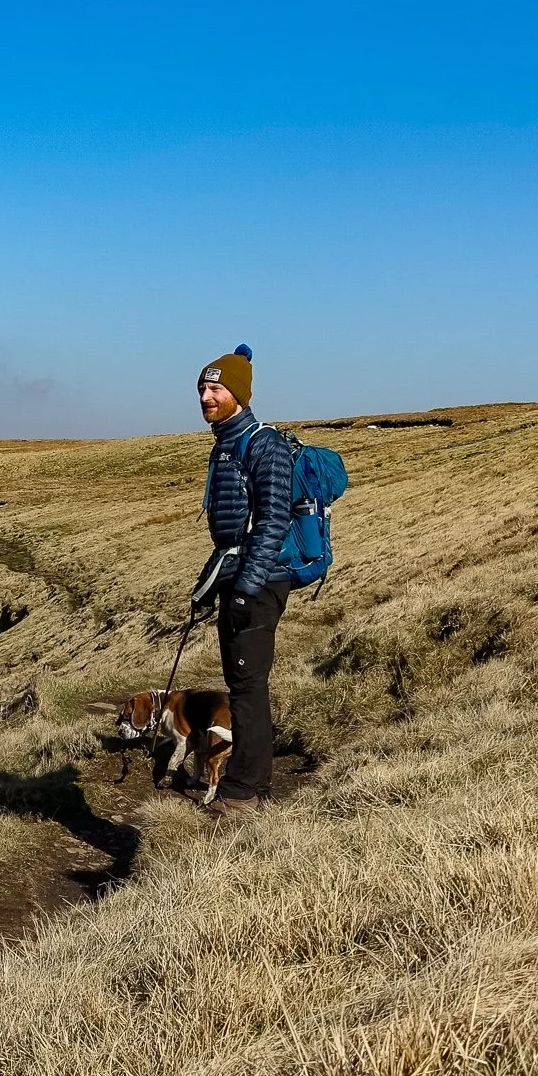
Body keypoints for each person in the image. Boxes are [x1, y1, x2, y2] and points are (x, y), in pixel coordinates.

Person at [196, 344, 293, 812]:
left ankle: (242, 791)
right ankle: (255, 785)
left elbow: (273, 521)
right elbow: (230, 534)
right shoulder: (226, 444)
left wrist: (246, 588)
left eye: (216, 389)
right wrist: (209, 585)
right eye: (202, 389)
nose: (206, 397)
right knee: (243, 683)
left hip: (260, 581)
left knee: (248, 684)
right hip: (239, 576)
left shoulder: (263, 444)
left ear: (238, 393)